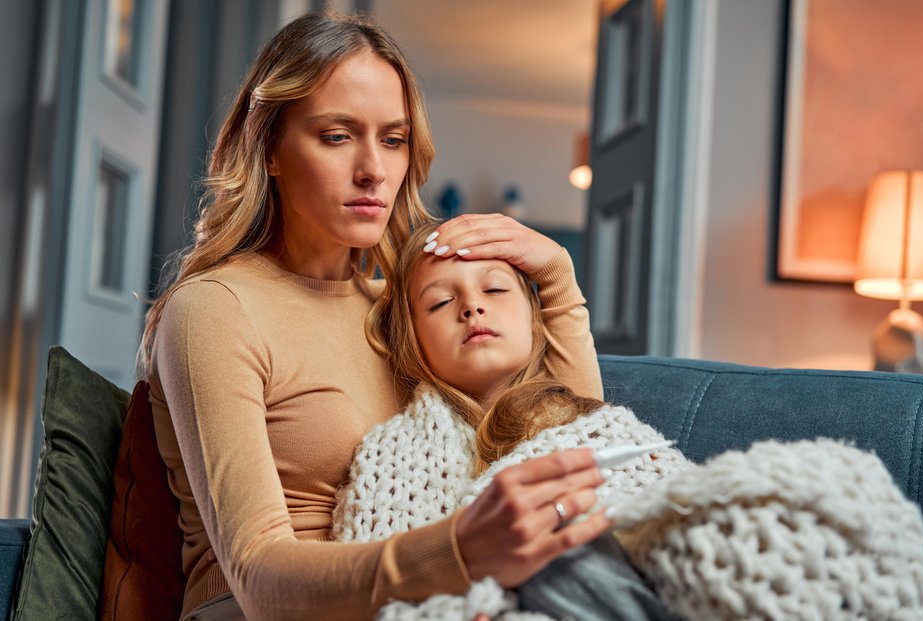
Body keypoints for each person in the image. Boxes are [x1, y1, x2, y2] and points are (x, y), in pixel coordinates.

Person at [140, 12, 608, 621]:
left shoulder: (409, 307)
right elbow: (256, 574)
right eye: (337, 136)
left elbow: (574, 442)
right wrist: (462, 551)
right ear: (270, 149)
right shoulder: (215, 308)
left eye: (393, 139)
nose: (375, 170)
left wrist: (558, 279)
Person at [333, 220, 686, 620]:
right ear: (413, 341)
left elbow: (679, 513)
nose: (471, 306)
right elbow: (372, 585)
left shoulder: (595, 426)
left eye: (495, 289)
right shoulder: (389, 461)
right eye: (440, 303)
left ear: (536, 322)